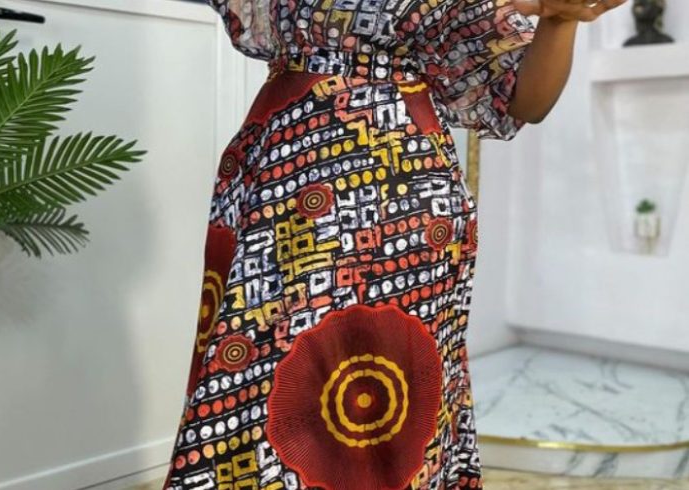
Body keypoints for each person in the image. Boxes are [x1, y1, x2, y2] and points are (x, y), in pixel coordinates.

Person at [162, 0, 626, 489]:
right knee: (267, 369)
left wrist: (560, 17)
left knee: (388, 386)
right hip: (283, 182)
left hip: (401, 192)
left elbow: (526, 102)